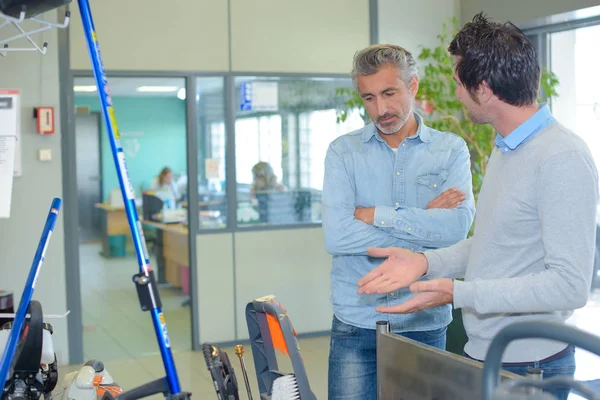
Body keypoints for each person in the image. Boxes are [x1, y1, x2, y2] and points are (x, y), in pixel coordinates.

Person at [357, 14, 598, 400]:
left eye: (457, 83)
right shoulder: (506, 148)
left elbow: (570, 286)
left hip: (529, 367)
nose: (454, 94)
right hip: (484, 354)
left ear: (482, 89)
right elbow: (492, 244)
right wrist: (425, 262)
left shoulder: (561, 157)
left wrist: (459, 293)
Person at [322, 44, 475, 400]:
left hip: (424, 321)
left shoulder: (450, 150)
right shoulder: (343, 152)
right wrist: (425, 223)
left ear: (414, 86)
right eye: (369, 98)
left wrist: (376, 214)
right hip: (356, 320)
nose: (380, 109)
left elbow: (456, 231)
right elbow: (337, 235)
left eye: (389, 93)